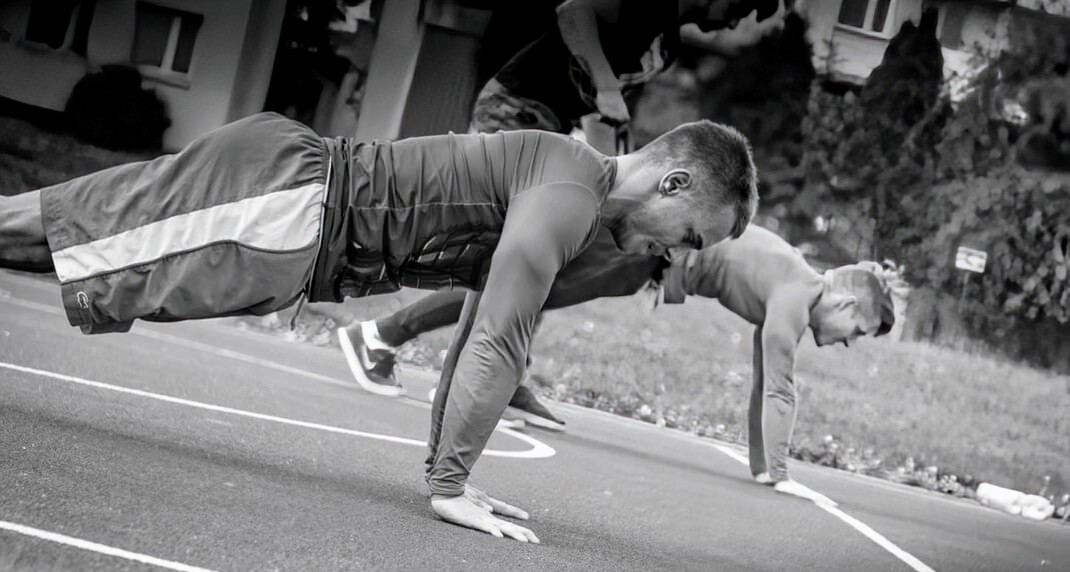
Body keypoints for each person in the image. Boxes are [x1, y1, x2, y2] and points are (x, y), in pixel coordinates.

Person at [0, 110, 759, 542]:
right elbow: (499, 335)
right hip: (285, 198)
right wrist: (448, 485)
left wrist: (452, 476)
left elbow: (471, 331)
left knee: (71, 236)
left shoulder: (571, 188)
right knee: (74, 243)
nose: (678, 256)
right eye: (690, 235)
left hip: (288, 212)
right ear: (674, 181)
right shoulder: (568, 195)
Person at [339, 0, 785, 428]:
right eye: (740, 7)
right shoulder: (650, 7)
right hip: (522, 108)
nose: (733, 20)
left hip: (562, 127)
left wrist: (615, 179)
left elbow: (600, 118)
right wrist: (607, 86)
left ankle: (495, 374)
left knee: (554, 256)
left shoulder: (666, 44)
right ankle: (391, 341)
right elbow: (574, 11)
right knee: (517, 259)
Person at [343, 224, 897, 498]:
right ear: (845, 303)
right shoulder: (795, 298)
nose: (848, 342)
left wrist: (765, 467)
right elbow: (777, 387)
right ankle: (382, 332)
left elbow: (765, 385)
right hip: (647, 253)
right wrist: (777, 477)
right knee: (520, 287)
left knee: (530, 287)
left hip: (648, 258)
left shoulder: (793, 282)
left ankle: (481, 372)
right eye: (858, 332)